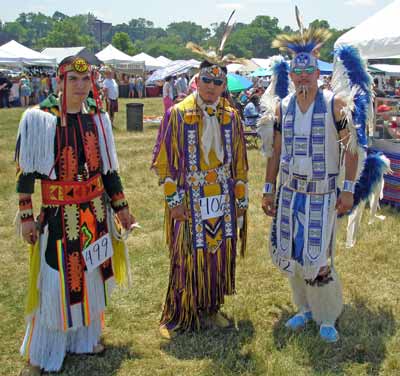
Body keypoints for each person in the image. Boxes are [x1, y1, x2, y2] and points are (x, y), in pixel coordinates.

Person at [15, 56, 135, 375]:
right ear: (61, 81)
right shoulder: (40, 119)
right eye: (74, 80)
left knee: (92, 274)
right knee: (57, 278)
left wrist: (122, 209)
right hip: (58, 216)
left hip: (95, 213)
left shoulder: (97, 118)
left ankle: (84, 338)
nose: (81, 87)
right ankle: (47, 349)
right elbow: (26, 175)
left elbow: (109, 171)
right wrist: (26, 216)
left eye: (85, 80)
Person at [261, 26, 360, 343]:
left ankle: (327, 315)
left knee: (318, 257)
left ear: (318, 72)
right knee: (292, 254)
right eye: (297, 71)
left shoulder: (336, 106)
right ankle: (304, 308)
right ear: (290, 74)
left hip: (322, 195)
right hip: (289, 193)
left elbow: (352, 149)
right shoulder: (282, 107)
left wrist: (348, 188)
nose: (303, 76)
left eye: (308, 71)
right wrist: (267, 189)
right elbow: (275, 151)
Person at [152, 60, 249, 339]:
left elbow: (240, 163)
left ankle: (210, 307)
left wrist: (241, 199)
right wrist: (174, 200)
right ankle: (180, 313)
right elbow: (165, 162)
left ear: (224, 86)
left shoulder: (231, 116)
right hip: (190, 196)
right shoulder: (178, 114)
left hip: (221, 196)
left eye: (218, 83)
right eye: (207, 80)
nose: (211, 87)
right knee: (187, 254)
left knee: (218, 252)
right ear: (197, 79)